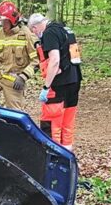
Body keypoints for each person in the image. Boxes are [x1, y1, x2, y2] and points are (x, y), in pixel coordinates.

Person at [28, 13, 81, 151]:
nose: (34, 33)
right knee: (67, 125)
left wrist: (46, 86)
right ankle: (67, 156)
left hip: (58, 84)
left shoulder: (49, 33)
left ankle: (52, 157)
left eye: (33, 30)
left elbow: (55, 60)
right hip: (74, 80)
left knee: (51, 124)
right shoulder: (66, 29)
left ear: (36, 26)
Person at [0, 0, 39, 110]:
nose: (0, 25)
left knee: (15, 114)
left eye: (3, 22)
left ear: (12, 20)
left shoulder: (27, 35)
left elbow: (36, 61)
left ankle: (14, 127)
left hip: (15, 79)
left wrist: (23, 77)